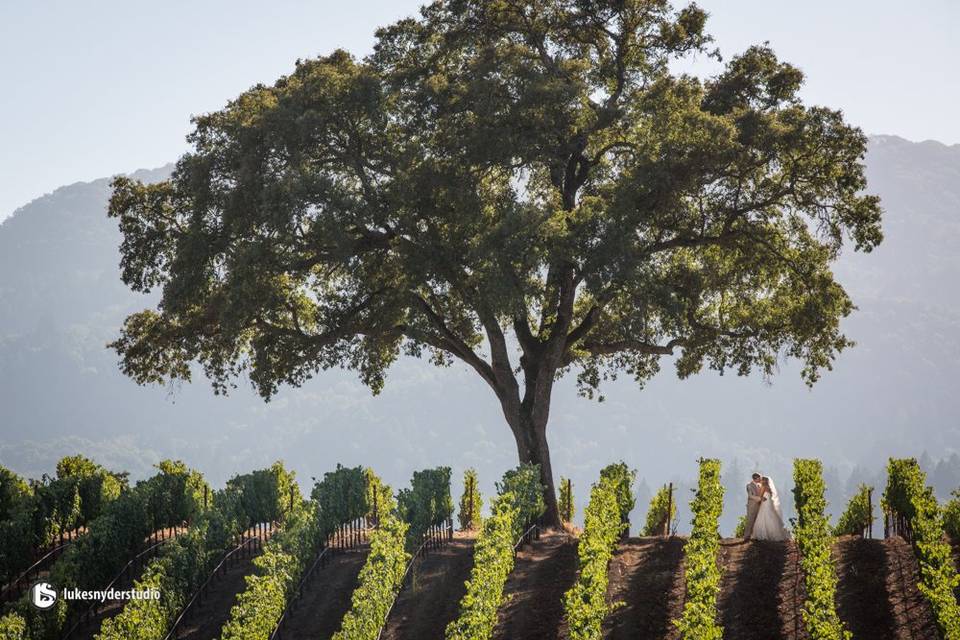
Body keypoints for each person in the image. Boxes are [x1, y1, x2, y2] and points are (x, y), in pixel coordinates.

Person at [751, 476, 791, 541]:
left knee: (764, 516)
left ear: (764, 481)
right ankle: (773, 533)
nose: (760, 481)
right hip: (769, 503)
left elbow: (760, 496)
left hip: (765, 504)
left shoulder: (763, 487)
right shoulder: (769, 488)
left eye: (761, 480)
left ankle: (764, 534)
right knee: (771, 516)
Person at [743, 472, 764, 540]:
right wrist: (759, 499)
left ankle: (753, 535)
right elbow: (750, 496)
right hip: (751, 506)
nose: (760, 479)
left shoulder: (759, 485)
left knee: (756, 521)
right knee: (750, 520)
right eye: (759, 478)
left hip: (758, 505)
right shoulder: (749, 485)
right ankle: (746, 536)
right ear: (756, 478)